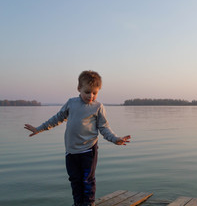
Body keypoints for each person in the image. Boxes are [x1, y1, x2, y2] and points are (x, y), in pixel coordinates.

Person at [24, 70, 131, 206]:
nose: (91, 96)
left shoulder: (98, 107)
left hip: (88, 150)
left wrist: (115, 139)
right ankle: (78, 203)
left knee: (87, 179)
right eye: (87, 92)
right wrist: (39, 129)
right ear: (79, 88)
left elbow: (104, 127)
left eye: (95, 93)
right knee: (74, 180)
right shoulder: (71, 103)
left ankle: (88, 203)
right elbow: (57, 118)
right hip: (71, 152)